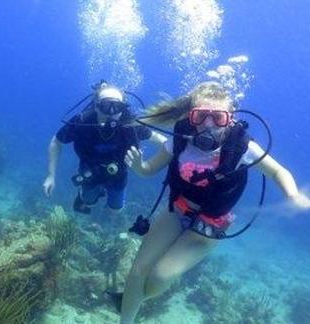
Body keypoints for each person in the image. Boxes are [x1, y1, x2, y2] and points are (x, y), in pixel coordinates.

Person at [118, 81, 310, 323]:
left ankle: (131, 301)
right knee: (137, 272)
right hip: (177, 209)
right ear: (191, 116)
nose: (208, 125)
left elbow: (277, 172)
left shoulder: (242, 146)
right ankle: (125, 318)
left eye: (218, 118)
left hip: (209, 226)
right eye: (201, 116)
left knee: (159, 277)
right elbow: (148, 169)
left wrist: (292, 195)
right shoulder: (179, 139)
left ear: (230, 119)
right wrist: (138, 167)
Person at [42, 82, 166, 218]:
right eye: (106, 106)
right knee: (88, 202)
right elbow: (56, 142)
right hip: (89, 172)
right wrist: (51, 175)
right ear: (96, 106)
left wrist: (176, 147)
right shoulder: (82, 122)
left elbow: (158, 138)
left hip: (119, 174)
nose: (111, 113)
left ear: (123, 108)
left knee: (116, 209)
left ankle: (104, 204)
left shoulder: (130, 125)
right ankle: (85, 196)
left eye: (117, 107)